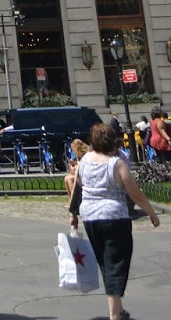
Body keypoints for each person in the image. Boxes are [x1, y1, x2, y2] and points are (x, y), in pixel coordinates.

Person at [69, 120, 160, 320]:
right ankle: (114, 315)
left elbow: (78, 187)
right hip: (114, 218)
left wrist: (73, 213)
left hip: (90, 217)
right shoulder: (116, 163)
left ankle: (117, 308)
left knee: (106, 262)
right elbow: (134, 193)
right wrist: (151, 213)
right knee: (117, 263)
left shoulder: (85, 160)